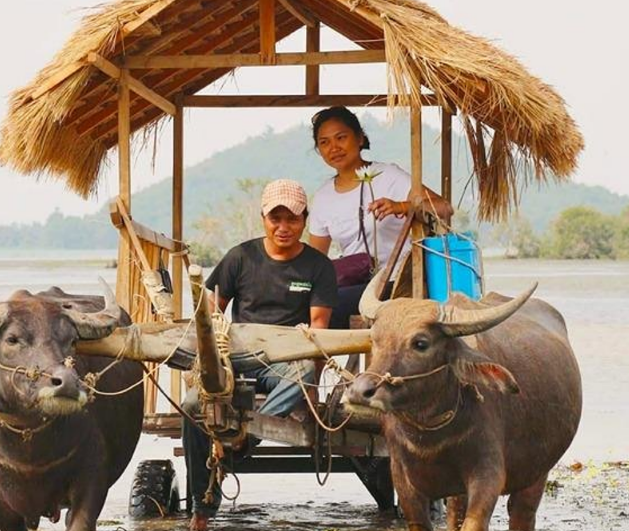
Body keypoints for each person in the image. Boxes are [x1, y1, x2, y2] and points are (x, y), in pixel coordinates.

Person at [183, 179, 338, 531]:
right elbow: (210, 314)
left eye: (292, 219)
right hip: (236, 356)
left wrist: (306, 372)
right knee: (192, 407)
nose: (283, 227)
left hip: (285, 360)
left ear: (304, 220)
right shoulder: (240, 257)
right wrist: (215, 348)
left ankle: (242, 439)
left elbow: (318, 329)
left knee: (303, 373)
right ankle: (202, 505)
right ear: (263, 218)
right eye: (275, 218)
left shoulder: (318, 267)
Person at [307, 106, 453, 329]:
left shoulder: (388, 176)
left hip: (394, 284)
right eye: (324, 142)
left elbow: (444, 208)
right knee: (301, 304)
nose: (333, 148)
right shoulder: (323, 196)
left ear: (359, 138)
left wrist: (402, 206)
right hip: (353, 282)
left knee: (326, 308)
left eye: (341, 138)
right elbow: (315, 260)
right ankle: (310, 363)